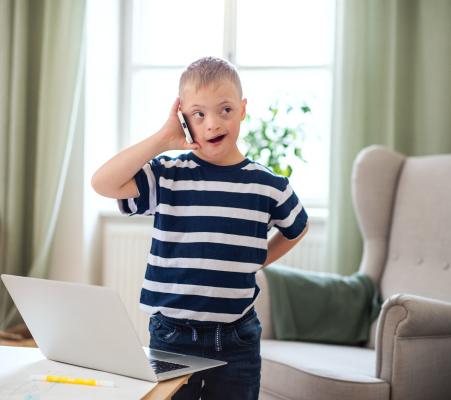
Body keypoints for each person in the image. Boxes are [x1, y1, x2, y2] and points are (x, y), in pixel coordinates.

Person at [91, 56, 309, 400]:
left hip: (238, 338)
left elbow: (298, 227)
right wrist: (163, 138)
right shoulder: (167, 174)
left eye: (224, 110)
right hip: (171, 335)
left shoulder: (269, 185)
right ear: (183, 119)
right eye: (198, 114)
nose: (212, 124)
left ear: (242, 109)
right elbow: (103, 183)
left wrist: (259, 258)